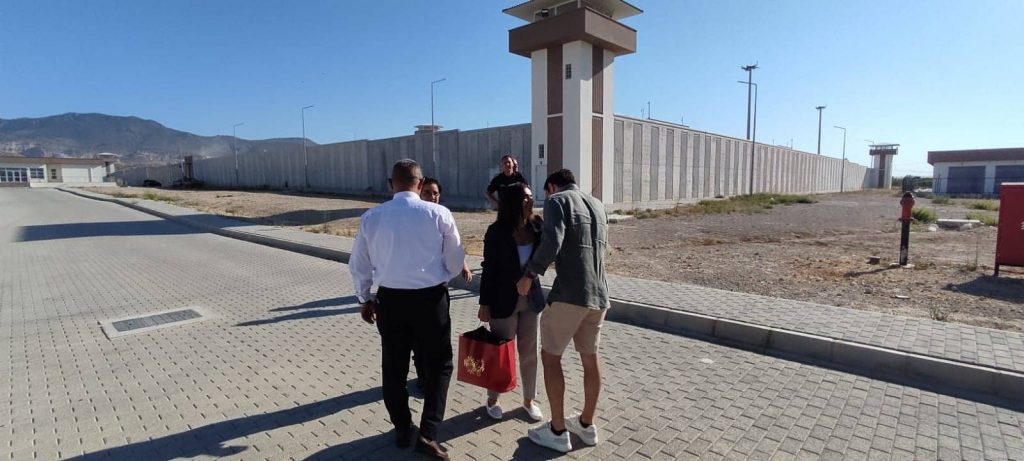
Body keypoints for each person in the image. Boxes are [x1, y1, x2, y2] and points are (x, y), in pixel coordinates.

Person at [350, 159, 465, 460]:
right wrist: (440, 276)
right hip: (431, 300)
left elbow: (359, 264)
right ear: (420, 183)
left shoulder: (372, 217)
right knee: (439, 365)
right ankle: (428, 433)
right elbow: (455, 260)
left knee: (394, 367)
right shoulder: (439, 213)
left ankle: (402, 428)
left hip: (390, 301)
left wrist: (364, 299)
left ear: (391, 184)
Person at [516, 169, 609, 453]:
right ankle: (587, 425)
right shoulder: (597, 204)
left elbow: (552, 242)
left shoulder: (557, 201)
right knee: (590, 357)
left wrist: (529, 274)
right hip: (599, 295)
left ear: (551, 187)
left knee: (550, 357)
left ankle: (557, 431)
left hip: (569, 294)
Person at [477, 182, 545, 422]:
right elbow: (489, 269)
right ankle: (493, 398)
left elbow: (544, 257)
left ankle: (529, 399)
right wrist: (484, 303)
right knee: (500, 353)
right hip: (502, 301)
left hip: (531, 300)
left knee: (529, 353)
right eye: (525, 197)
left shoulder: (537, 226)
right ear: (512, 202)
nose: (530, 200)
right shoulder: (496, 232)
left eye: (530, 196)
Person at [421, 177, 473, 284]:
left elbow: (454, 244)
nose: (432, 197)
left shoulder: (443, 216)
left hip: (437, 277)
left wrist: (463, 266)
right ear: (419, 193)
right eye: (427, 192)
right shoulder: (413, 217)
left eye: (435, 193)